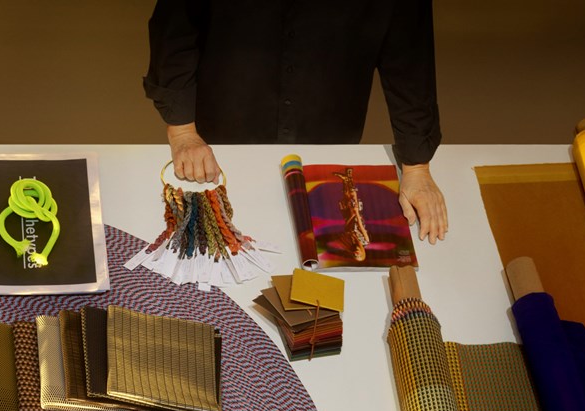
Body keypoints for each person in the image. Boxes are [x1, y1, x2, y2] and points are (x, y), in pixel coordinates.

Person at [143, 0, 448, 243]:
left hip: (328, 123)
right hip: (226, 124)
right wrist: (183, 132)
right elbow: (176, 26)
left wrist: (417, 166)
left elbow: (409, 54)